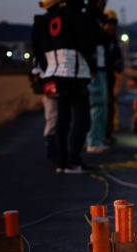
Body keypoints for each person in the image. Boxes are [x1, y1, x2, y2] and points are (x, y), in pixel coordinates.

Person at [35, 0, 96, 173]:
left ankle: (62, 162)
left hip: (55, 72)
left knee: (63, 118)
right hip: (75, 73)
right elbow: (88, 43)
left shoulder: (45, 20)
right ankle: (74, 160)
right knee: (82, 119)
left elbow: (39, 49)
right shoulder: (76, 16)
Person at [31, 8, 58, 162]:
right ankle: (53, 143)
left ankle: (52, 141)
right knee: (55, 112)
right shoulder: (53, 26)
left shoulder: (39, 25)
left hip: (46, 76)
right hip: (52, 75)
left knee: (52, 113)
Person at [85, 0, 111, 154]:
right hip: (94, 69)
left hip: (98, 67)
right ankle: (93, 141)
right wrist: (92, 66)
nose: (104, 4)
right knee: (97, 105)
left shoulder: (95, 19)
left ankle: (95, 140)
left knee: (98, 106)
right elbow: (89, 45)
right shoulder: (91, 19)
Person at [102, 9, 124, 145]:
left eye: (113, 24)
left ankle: (107, 134)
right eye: (108, 24)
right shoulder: (101, 39)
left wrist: (118, 64)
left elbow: (118, 58)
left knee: (109, 106)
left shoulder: (113, 41)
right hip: (99, 75)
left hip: (109, 76)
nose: (110, 27)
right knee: (99, 107)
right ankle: (97, 136)